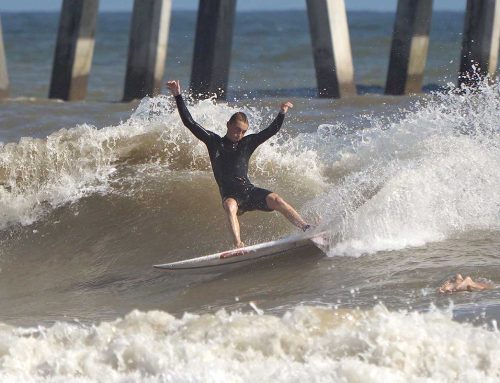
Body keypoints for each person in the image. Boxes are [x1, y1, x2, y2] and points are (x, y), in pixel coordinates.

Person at [166, 80, 311, 248]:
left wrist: (282, 112)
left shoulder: (247, 143)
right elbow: (190, 123)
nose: (239, 134)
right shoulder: (214, 142)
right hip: (231, 196)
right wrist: (177, 95)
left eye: (243, 131)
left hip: (249, 192)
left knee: (276, 199)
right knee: (229, 206)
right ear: (228, 125)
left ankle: (305, 227)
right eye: (236, 129)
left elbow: (270, 131)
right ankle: (238, 245)